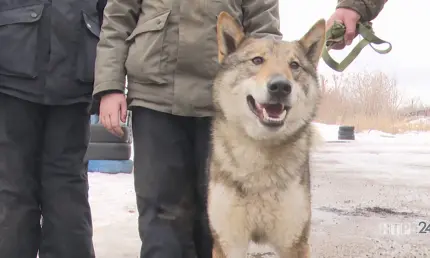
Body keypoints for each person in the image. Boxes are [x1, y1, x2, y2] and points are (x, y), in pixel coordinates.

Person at [93, 0, 387, 257]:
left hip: (227, 105)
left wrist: (272, 74)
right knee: (161, 220)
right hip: (154, 94)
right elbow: (118, 17)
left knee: (210, 233)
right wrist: (110, 85)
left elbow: (264, 22)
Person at [0, 0, 104, 257]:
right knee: (51, 188)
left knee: (27, 189)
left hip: (44, 71)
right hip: (25, 74)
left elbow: (113, 13)